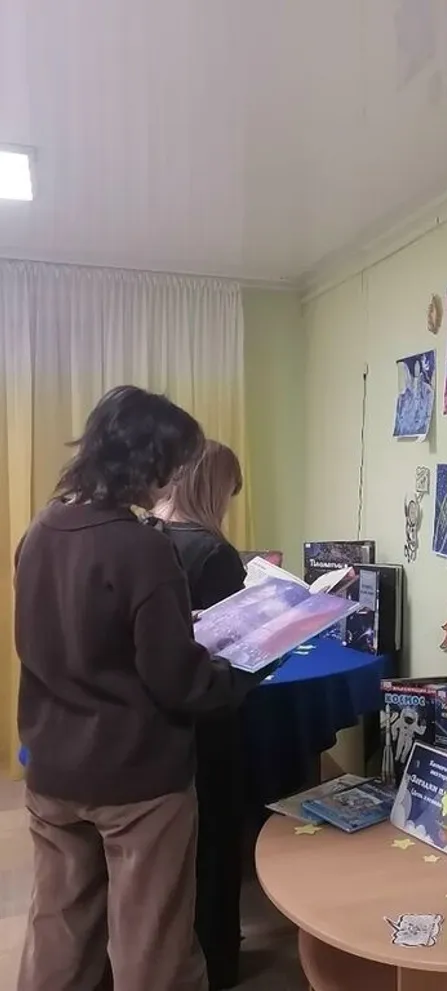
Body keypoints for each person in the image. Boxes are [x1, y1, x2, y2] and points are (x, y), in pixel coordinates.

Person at [15, 386, 252, 991]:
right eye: (172, 463)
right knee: (152, 944)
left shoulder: (40, 530)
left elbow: (65, 636)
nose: (172, 479)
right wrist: (238, 673)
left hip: (51, 768)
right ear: (149, 462)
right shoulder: (144, 548)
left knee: (59, 929)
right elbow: (178, 682)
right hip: (137, 780)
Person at [149, 441, 248, 991]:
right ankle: (219, 962)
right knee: (215, 840)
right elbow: (235, 647)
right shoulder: (214, 554)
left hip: (152, 725)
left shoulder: (145, 537)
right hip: (208, 718)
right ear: (214, 490)